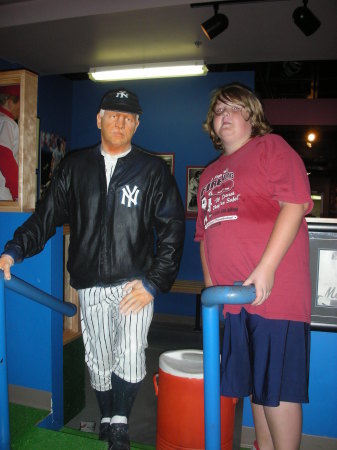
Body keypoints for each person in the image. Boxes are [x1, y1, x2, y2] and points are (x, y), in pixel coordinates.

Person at [0, 88, 185, 450]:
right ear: (99, 119)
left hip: (136, 284)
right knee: (98, 359)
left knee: (130, 353)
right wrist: (14, 251)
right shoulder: (74, 167)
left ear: (137, 123)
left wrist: (154, 283)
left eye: (129, 116)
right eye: (113, 114)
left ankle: (120, 423)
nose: (120, 121)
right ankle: (106, 416)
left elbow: (173, 230)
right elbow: (46, 217)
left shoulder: (152, 170)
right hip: (90, 283)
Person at [195, 83, 312, 450]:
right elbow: (204, 236)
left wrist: (266, 268)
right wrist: (212, 288)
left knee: (275, 391)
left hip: (275, 295)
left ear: (252, 116)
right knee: (256, 391)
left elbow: (295, 204)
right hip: (234, 300)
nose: (224, 116)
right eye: (218, 111)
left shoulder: (270, 147)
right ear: (211, 125)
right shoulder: (209, 174)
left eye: (234, 108)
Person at [0, 84, 20, 201]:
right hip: (3, 194)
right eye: (20, 103)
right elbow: (4, 156)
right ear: (10, 101)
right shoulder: (7, 122)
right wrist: (17, 193)